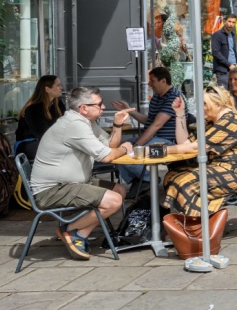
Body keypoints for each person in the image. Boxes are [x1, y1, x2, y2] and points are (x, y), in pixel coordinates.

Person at [29, 86, 133, 261]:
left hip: (72, 183)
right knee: (114, 201)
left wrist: (117, 124)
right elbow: (108, 156)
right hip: (54, 189)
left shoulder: (85, 122)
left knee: (119, 190)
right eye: (99, 104)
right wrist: (126, 148)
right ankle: (70, 231)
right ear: (83, 108)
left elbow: (109, 146)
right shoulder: (74, 125)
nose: (103, 107)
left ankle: (80, 233)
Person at [162, 87, 237, 218]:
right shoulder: (212, 122)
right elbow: (185, 143)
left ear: (218, 105)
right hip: (218, 168)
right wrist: (179, 113)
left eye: (204, 104)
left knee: (186, 183)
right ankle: (191, 221)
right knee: (171, 176)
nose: (201, 108)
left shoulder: (230, 120)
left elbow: (196, 148)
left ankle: (199, 226)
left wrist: (162, 150)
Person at [111, 67, 197, 184]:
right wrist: (128, 110)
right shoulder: (157, 96)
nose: (149, 84)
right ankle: (139, 181)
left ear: (163, 81)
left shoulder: (174, 97)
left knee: (130, 153)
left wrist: (137, 146)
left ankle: (147, 180)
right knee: (119, 149)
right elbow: (149, 120)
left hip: (167, 141)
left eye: (152, 80)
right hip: (153, 138)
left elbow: (156, 125)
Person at [16, 75, 65, 160]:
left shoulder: (58, 105)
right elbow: (42, 134)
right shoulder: (33, 109)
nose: (61, 88)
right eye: (58, 85)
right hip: (29, 144)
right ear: (47, 89)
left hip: (50, 142)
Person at [210, 21, 237, 87]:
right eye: (229, 21)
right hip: (223, 71)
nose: (231, 24)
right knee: (224, 94)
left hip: (234, 70)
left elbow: (234, 51)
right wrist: (229, 65)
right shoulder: (217, 35)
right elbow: (215, 52)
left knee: (234, 94)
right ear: (225, 22)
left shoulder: (233, 35)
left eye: (233, 22)